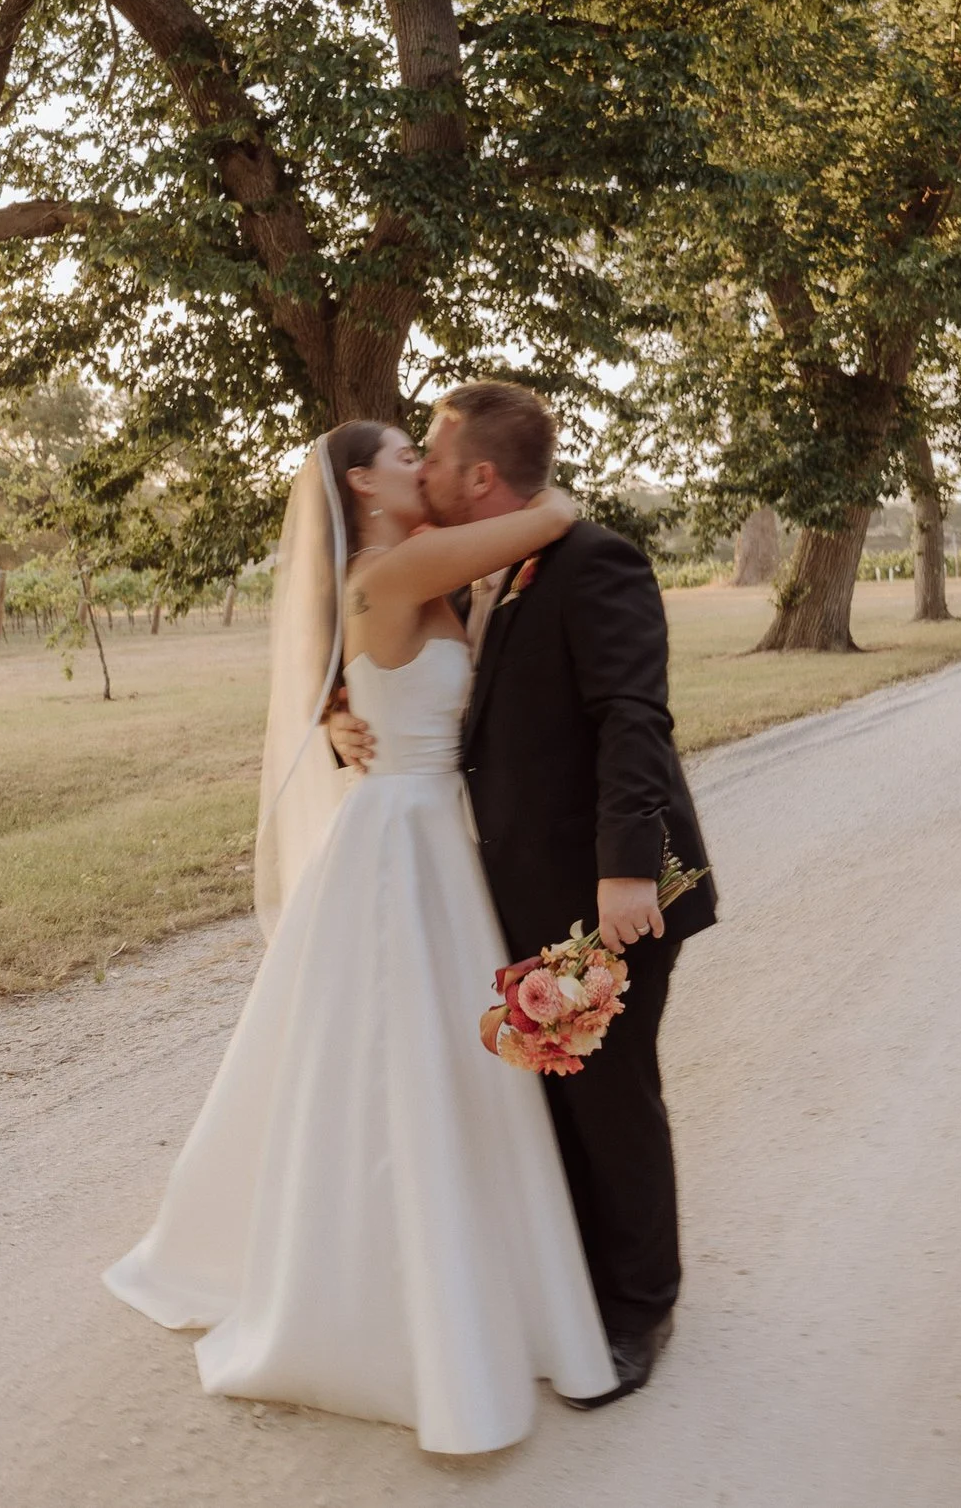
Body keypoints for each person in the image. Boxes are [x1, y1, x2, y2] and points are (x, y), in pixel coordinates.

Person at [104, 419, 618, 1454]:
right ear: (363, 484)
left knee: (438, 1064)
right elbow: (545, 518)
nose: (421, 466)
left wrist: (341, 707)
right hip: (403, 840)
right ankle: (398, 1304)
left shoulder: (399, 570)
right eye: (404, 457)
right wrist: (540, 493)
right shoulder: (397, 568)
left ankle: (469, 1283)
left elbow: (363, 676)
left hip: (424, 829)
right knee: (411, 1061)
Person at [329, 380, 718, 1407]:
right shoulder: (473, 573)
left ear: (478, 477)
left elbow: (634, 715)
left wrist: (626, 868)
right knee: (553, 1093)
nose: (425, 471)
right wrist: (340, 718)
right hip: (508, 884)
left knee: (610, 1096)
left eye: (435, 456)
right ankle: (577, 1284)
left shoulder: (594, 559)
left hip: (607, 890)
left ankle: (639, 1308)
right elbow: (392, 665)